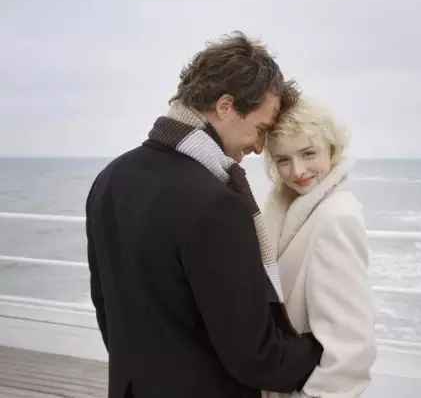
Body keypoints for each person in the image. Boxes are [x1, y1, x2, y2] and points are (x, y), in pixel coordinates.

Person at [86, 32, 322, 398]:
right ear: (226, 106)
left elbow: (106, 310)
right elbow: (254, 357)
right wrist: (321, 347)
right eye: (260, 129)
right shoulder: (217, 204)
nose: (259, 147)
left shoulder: (109, 180)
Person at [261, 97, 377, 398]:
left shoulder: (335, 217)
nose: (297, 171)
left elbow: (351, 346)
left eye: (308, 153)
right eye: (283, 160)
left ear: (332, 150)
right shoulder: (287, 210)